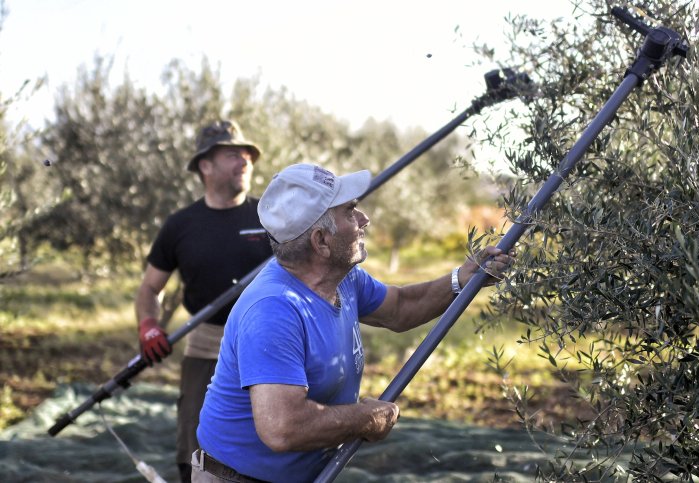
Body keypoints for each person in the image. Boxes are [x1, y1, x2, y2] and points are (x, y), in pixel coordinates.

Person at [193, 163, 515, 482]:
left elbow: (400, 307)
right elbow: (283, 427)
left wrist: (461, 279)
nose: (364, 219)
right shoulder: (274, 310)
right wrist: (365, 418)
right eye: (349, 212)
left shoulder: (343, 279)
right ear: (321, 241)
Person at [134, 120, 273, 483]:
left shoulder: (271, 218)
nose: (245, 162)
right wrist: (149, 326)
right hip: (206, 342)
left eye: (247, 155)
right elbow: (150, 288)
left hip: (268, 342)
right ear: (205, 165)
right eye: (233, 155)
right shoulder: (181, 226)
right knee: (194, 442)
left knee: (276, 436)